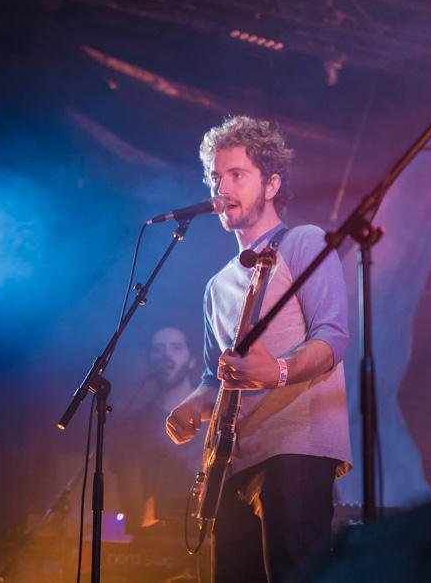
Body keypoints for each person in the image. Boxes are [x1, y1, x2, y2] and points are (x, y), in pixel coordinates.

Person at [165, 116, 352, 583]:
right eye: (216, 176)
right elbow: (216, 378)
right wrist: (192, 405)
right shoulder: (215, 287)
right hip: (231, 463)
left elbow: (333, 337)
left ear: (271, 184)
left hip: (295, 447)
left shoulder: (305, 242)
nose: (221, 187)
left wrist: (279, 371)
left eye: (237, 174)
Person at [116, 326, 202, 532]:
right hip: (156, 536)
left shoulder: (217, 414)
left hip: (209, 533)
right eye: (158, 349)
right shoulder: (133, 425)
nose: (166, 355)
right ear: (150, 360)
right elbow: (131, 500)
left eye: (176, 347)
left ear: (192, 360)